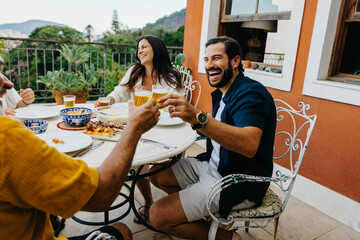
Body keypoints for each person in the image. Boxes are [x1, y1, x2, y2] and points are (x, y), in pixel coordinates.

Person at [0, 72, 160, 239]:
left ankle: (50, 215)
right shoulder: (7, 136)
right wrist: (134, 128)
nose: (8, 83)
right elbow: (102, 195)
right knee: (122, 230)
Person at [148, 36, 277, 240]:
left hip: (236, 180)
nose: (209, 65)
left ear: (235, 62)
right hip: (213, 165)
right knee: (155, 172)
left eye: (216, 58)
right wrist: (189, 119)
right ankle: (197, 209)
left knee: (157, 216)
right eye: (206, 60)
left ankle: (227, 237)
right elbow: (216, 129)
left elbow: (250, 145)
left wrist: (198, 118)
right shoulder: (222, 92)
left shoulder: (251, 94)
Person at [95, 35, 184, 224]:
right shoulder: (134, 71)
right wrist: (108, 100)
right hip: (139, 125)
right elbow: (119, 92)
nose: (140, 51)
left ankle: (181, 202)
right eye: (138, 49)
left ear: (156, 49)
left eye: (144, 47)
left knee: (143, 156)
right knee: (136, 156)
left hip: (164, 128)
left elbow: (178, 104)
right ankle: (148, 200)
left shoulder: (171, 76)